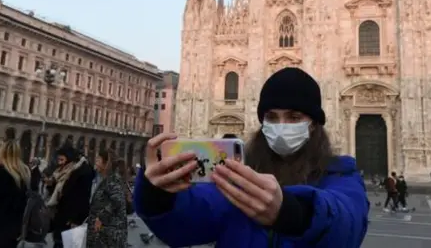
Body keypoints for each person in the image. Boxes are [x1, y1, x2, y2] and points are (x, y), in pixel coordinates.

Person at [134, 67, 370, 247]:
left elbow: (347, 224)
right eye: (272, 117)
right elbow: (187, 220)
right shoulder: (239, 177)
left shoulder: (340, 173)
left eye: (294, 116)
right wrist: (157, 195)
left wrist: (293, 212)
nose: (282, 125)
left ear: (314, 125)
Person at [45, 144, 95, 248]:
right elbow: (59, 192)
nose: (60, 162)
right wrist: (50, 185)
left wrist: (75, 219)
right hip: (61, 215)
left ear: (69, 157)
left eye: (62, 159)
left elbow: (82, 198)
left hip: (72, 219)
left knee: (67, 244)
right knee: (59, 242)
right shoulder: (63, 171)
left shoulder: (82, 172)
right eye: (59, 159)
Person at [87, 149, 128, 248]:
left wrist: (101, 217)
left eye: (98, 160)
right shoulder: (107, 179)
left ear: (106, 163)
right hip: (103, 232)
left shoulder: (113, 180)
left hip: (109, 233)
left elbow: (117, 201)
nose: (96, 162)